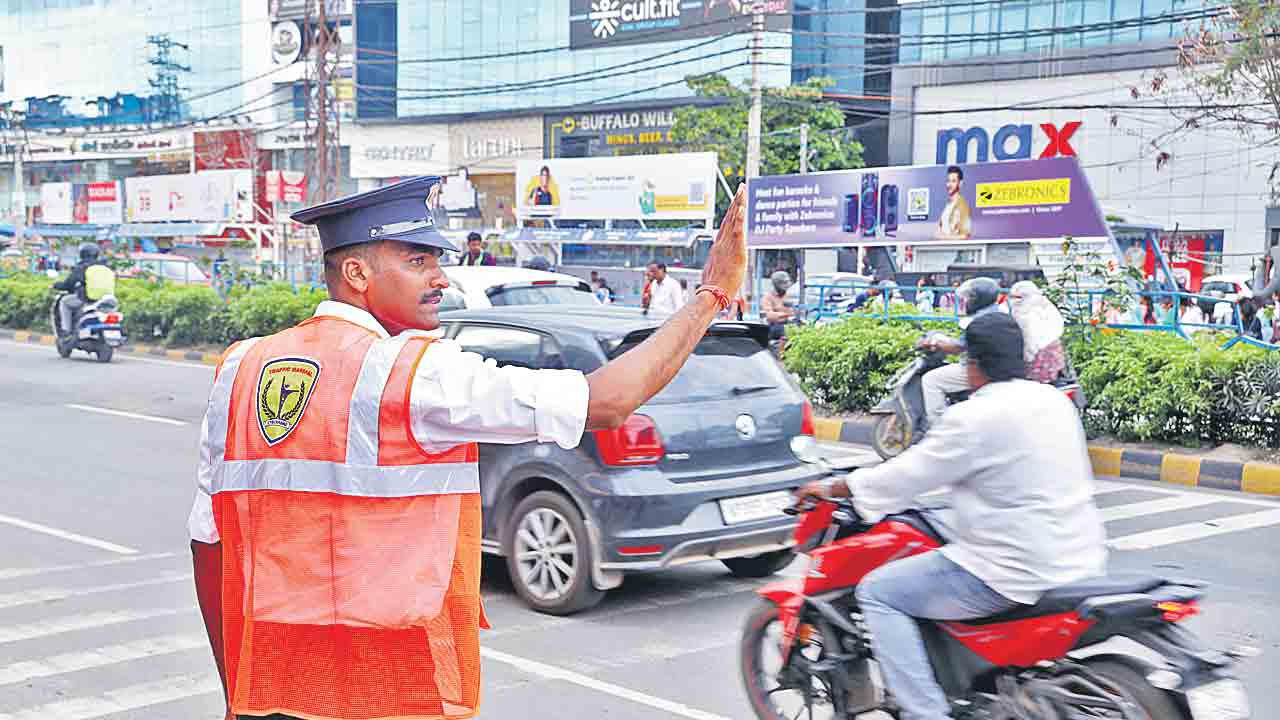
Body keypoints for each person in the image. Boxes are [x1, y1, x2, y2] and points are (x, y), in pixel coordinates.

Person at [188, 176, 749, 720]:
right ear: (357, 272)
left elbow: (209, 545)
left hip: (271, 685)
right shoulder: (413, 373)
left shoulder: (240, 368)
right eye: (417, 261)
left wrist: (237, 693)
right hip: (389, 688)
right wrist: (710, 296)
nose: (441, 278)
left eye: (436, 259)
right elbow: (607, 401)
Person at [794, 312, 1106, 720]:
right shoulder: (1052, 401)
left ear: (972, 364)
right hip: (1080, 556)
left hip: (1010, 570)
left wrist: (835, 488)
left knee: (880, 592)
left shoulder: (974, 417)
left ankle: (925, 713)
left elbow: (907, 475)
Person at [918, 277, 1003, 428]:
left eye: (971, 298)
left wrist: (935, 343)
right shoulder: (998, 313)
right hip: (996, 366)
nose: (968, 301)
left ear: (980, 299)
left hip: (980, 369)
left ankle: (938, 427)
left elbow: (959, 348)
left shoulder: (979, 319)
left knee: (930, 380)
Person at [1008, 281, 1065, 383]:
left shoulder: (1026, 314)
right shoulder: (1045, 307)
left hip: (1038, 363)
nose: (1015, 301)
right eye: (1013, 297)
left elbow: (1030, 342)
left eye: (1019, 297)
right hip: (1053, 362)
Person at [53, 242, 113, 338]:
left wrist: (56, 285)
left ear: (82, 254)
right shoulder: (105, 267)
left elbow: (68, 284)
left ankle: (66, 330)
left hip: (86, 299)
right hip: (105, 300)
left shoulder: (82, 267)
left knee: (64, 301)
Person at [935, 165, 972, 241]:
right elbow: (939, 229)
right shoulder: (948, 205)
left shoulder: (962, 205)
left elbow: (965, 235)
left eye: (953, 181)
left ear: (960, 183)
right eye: (948, 181)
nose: (949, 185)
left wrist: (944, 237)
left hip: (954, 249)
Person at [761, 270, 796, 345]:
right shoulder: (768, 297)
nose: (787, 285)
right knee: (787, 330)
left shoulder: (788, 295)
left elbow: (793, 311)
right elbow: (769, 315)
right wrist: (786, 315)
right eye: (784, 283)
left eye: (788, 282)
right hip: (774, 326)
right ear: (777, 284)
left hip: (788, 323)